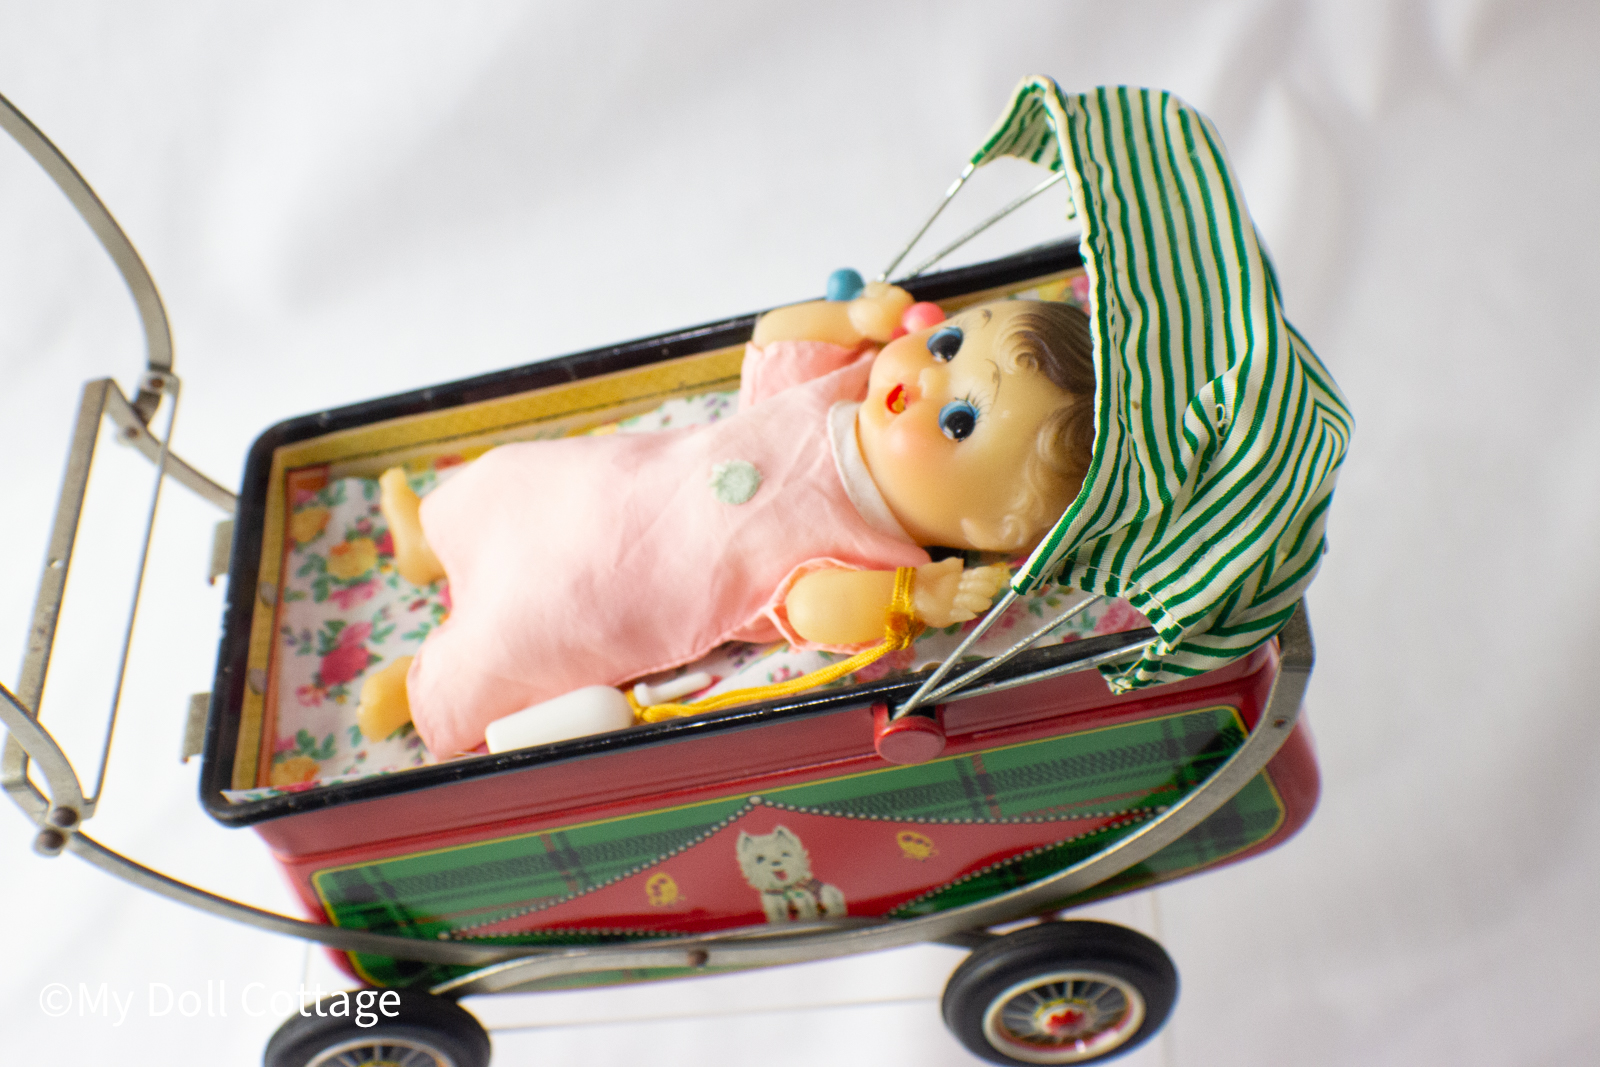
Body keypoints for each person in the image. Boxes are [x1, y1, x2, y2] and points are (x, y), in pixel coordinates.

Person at [358, 282, 1096, 755]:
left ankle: (415, 685)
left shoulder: (869, 542)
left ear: (991, 530)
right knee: (512, 481)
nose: (927, 376)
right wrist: (847, 316)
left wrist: (915, 597)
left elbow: (809, 607)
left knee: (527, 635)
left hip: (625, 589)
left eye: (961, 420)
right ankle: (428, 538)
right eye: (948, 342)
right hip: (616, 481)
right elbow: (775, 339)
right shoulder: (842, 388)